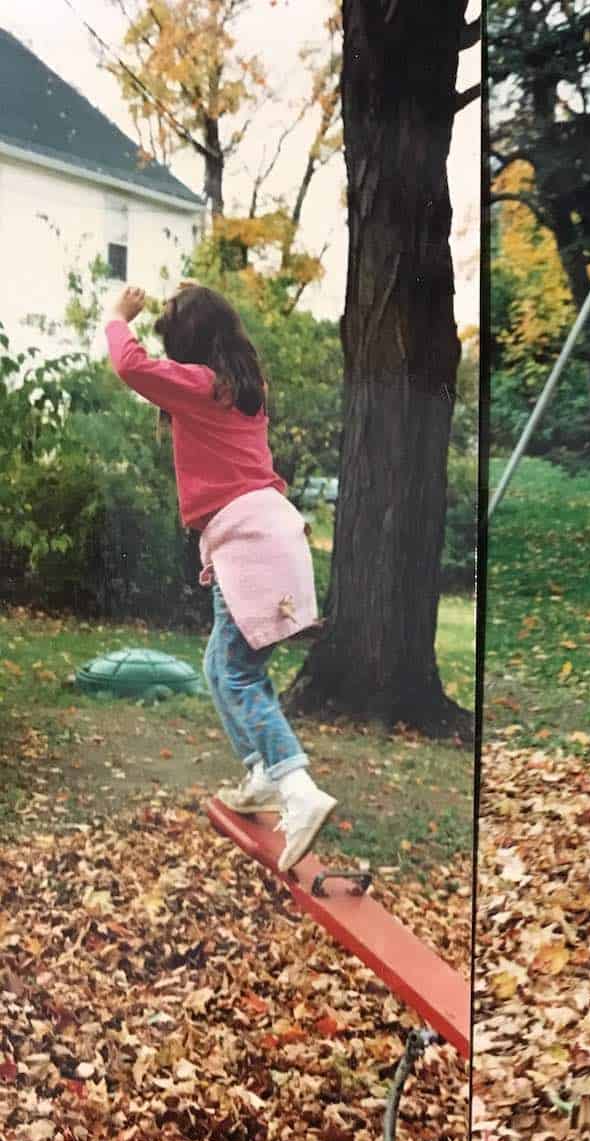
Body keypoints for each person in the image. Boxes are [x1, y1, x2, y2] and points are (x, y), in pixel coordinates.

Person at [105, 282, 338, 869]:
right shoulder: (242, 389)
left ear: (189, 345)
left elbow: (130, 365)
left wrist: (118, 317)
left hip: (249, 539)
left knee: (235, 673)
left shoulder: (204, 384)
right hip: (262, 535)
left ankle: (298, 790)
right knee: (221, 662)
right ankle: (262, 774)